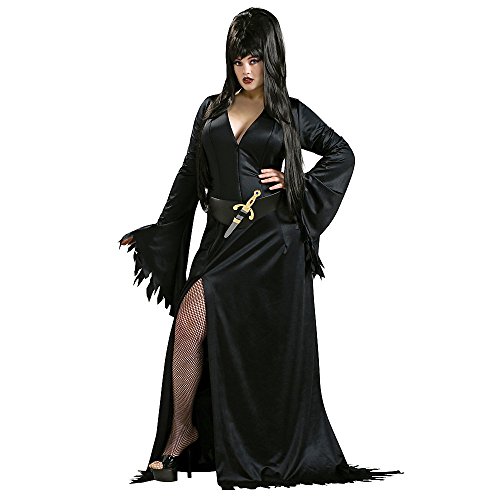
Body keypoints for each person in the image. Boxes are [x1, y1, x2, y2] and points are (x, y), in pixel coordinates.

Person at [118, 7, 403, 490]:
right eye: (237, 60)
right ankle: (182, 430)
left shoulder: (290, 113)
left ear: (271, 58)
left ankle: (252, 442)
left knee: (253, 345)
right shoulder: (211, 109)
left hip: (271, 244)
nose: (246, 70)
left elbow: (342, 153)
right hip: (221, 239)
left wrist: (295, 181)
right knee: (190, 319)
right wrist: (160, 231)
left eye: (254, 59)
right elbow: (189, 174)